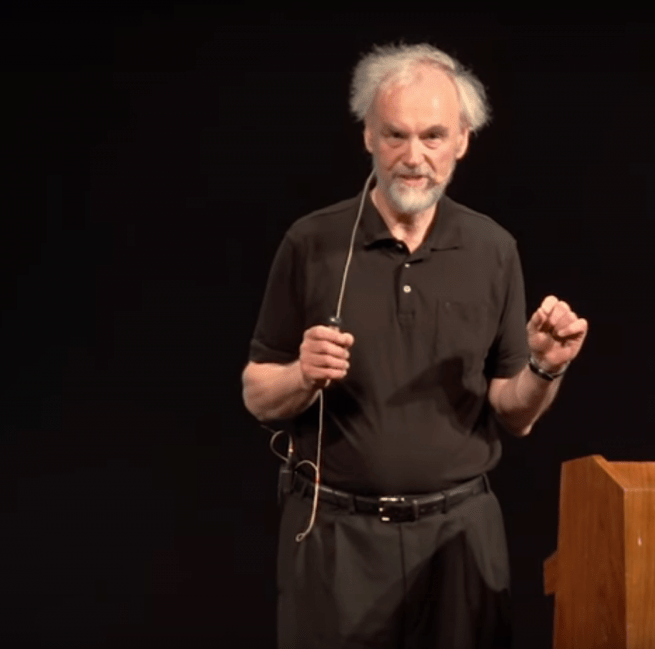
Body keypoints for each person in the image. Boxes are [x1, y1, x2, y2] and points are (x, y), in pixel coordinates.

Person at [241, 42, 588, 649]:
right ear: (368, 137)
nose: (413, 156)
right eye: (395, 135)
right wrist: (300, 374)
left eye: (432, 136)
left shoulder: (492, 249)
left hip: (459, 543)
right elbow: (256, 392)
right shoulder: (312, 243)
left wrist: (543, 367)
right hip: (336, 542)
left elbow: (515, 413)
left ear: (462, 141)